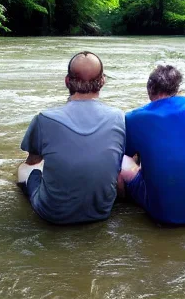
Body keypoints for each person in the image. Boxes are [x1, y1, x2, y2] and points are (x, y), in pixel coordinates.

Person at [18, 51, 126, 224]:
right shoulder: (119, 117)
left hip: (52, 214)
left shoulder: (44, 118)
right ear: (102, 81)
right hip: (101, 212)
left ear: (67, 81)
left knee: (26, 168)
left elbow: (32, 161)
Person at [120, 65, 185, 225]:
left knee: (123, 161)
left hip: (165, 216)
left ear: (150, 89)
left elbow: (127, 153)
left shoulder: (135, 117)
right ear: (176, 88)